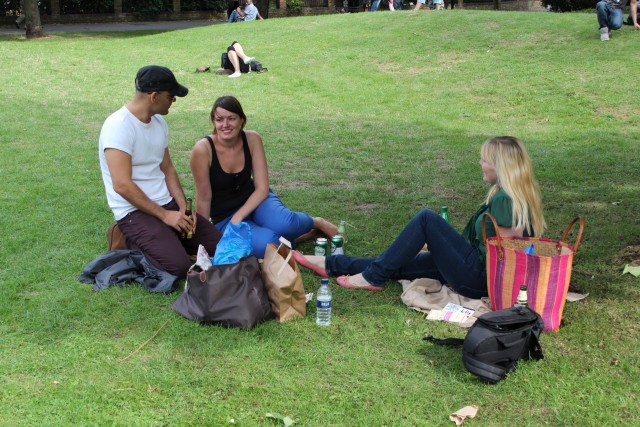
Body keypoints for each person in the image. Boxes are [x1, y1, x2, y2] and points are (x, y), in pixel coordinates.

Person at [293, 136, 546, 299]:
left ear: (500, 166)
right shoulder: (507, 194)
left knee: (427, 219)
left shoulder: (505, 200)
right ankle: (330, 265)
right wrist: (443, 248)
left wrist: (443, 243)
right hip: (472, 270)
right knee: (398, 263)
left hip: (478, 279)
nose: (480, 163)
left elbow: (504, 255)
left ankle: (371, 277)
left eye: (485, 159)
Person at [98, 65, 221, 278]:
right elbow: (122, 185)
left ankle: (168, 238)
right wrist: (165, 216)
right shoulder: (118, 126)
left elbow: (167, 167)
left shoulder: (159, 122)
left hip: (166, 203)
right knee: (177, 266)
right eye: (171, 96)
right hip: (133, 211)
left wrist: (183, 208)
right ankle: (125, 237)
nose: (174, 101)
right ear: (154, 96)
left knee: (220, 247)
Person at [190, 96, 338, 259]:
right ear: (213, 121)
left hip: (257, 201)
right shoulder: (203, 149)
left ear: (242, 120)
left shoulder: (252, 139)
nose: (225, 125)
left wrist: (239, 216)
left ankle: (316, 222)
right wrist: (203, 239)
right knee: (268, 245)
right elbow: (204, 198)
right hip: (226, 218)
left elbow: (262, 188)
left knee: (285, 224)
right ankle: (296, 239)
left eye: (231, 118)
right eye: (219, 119)